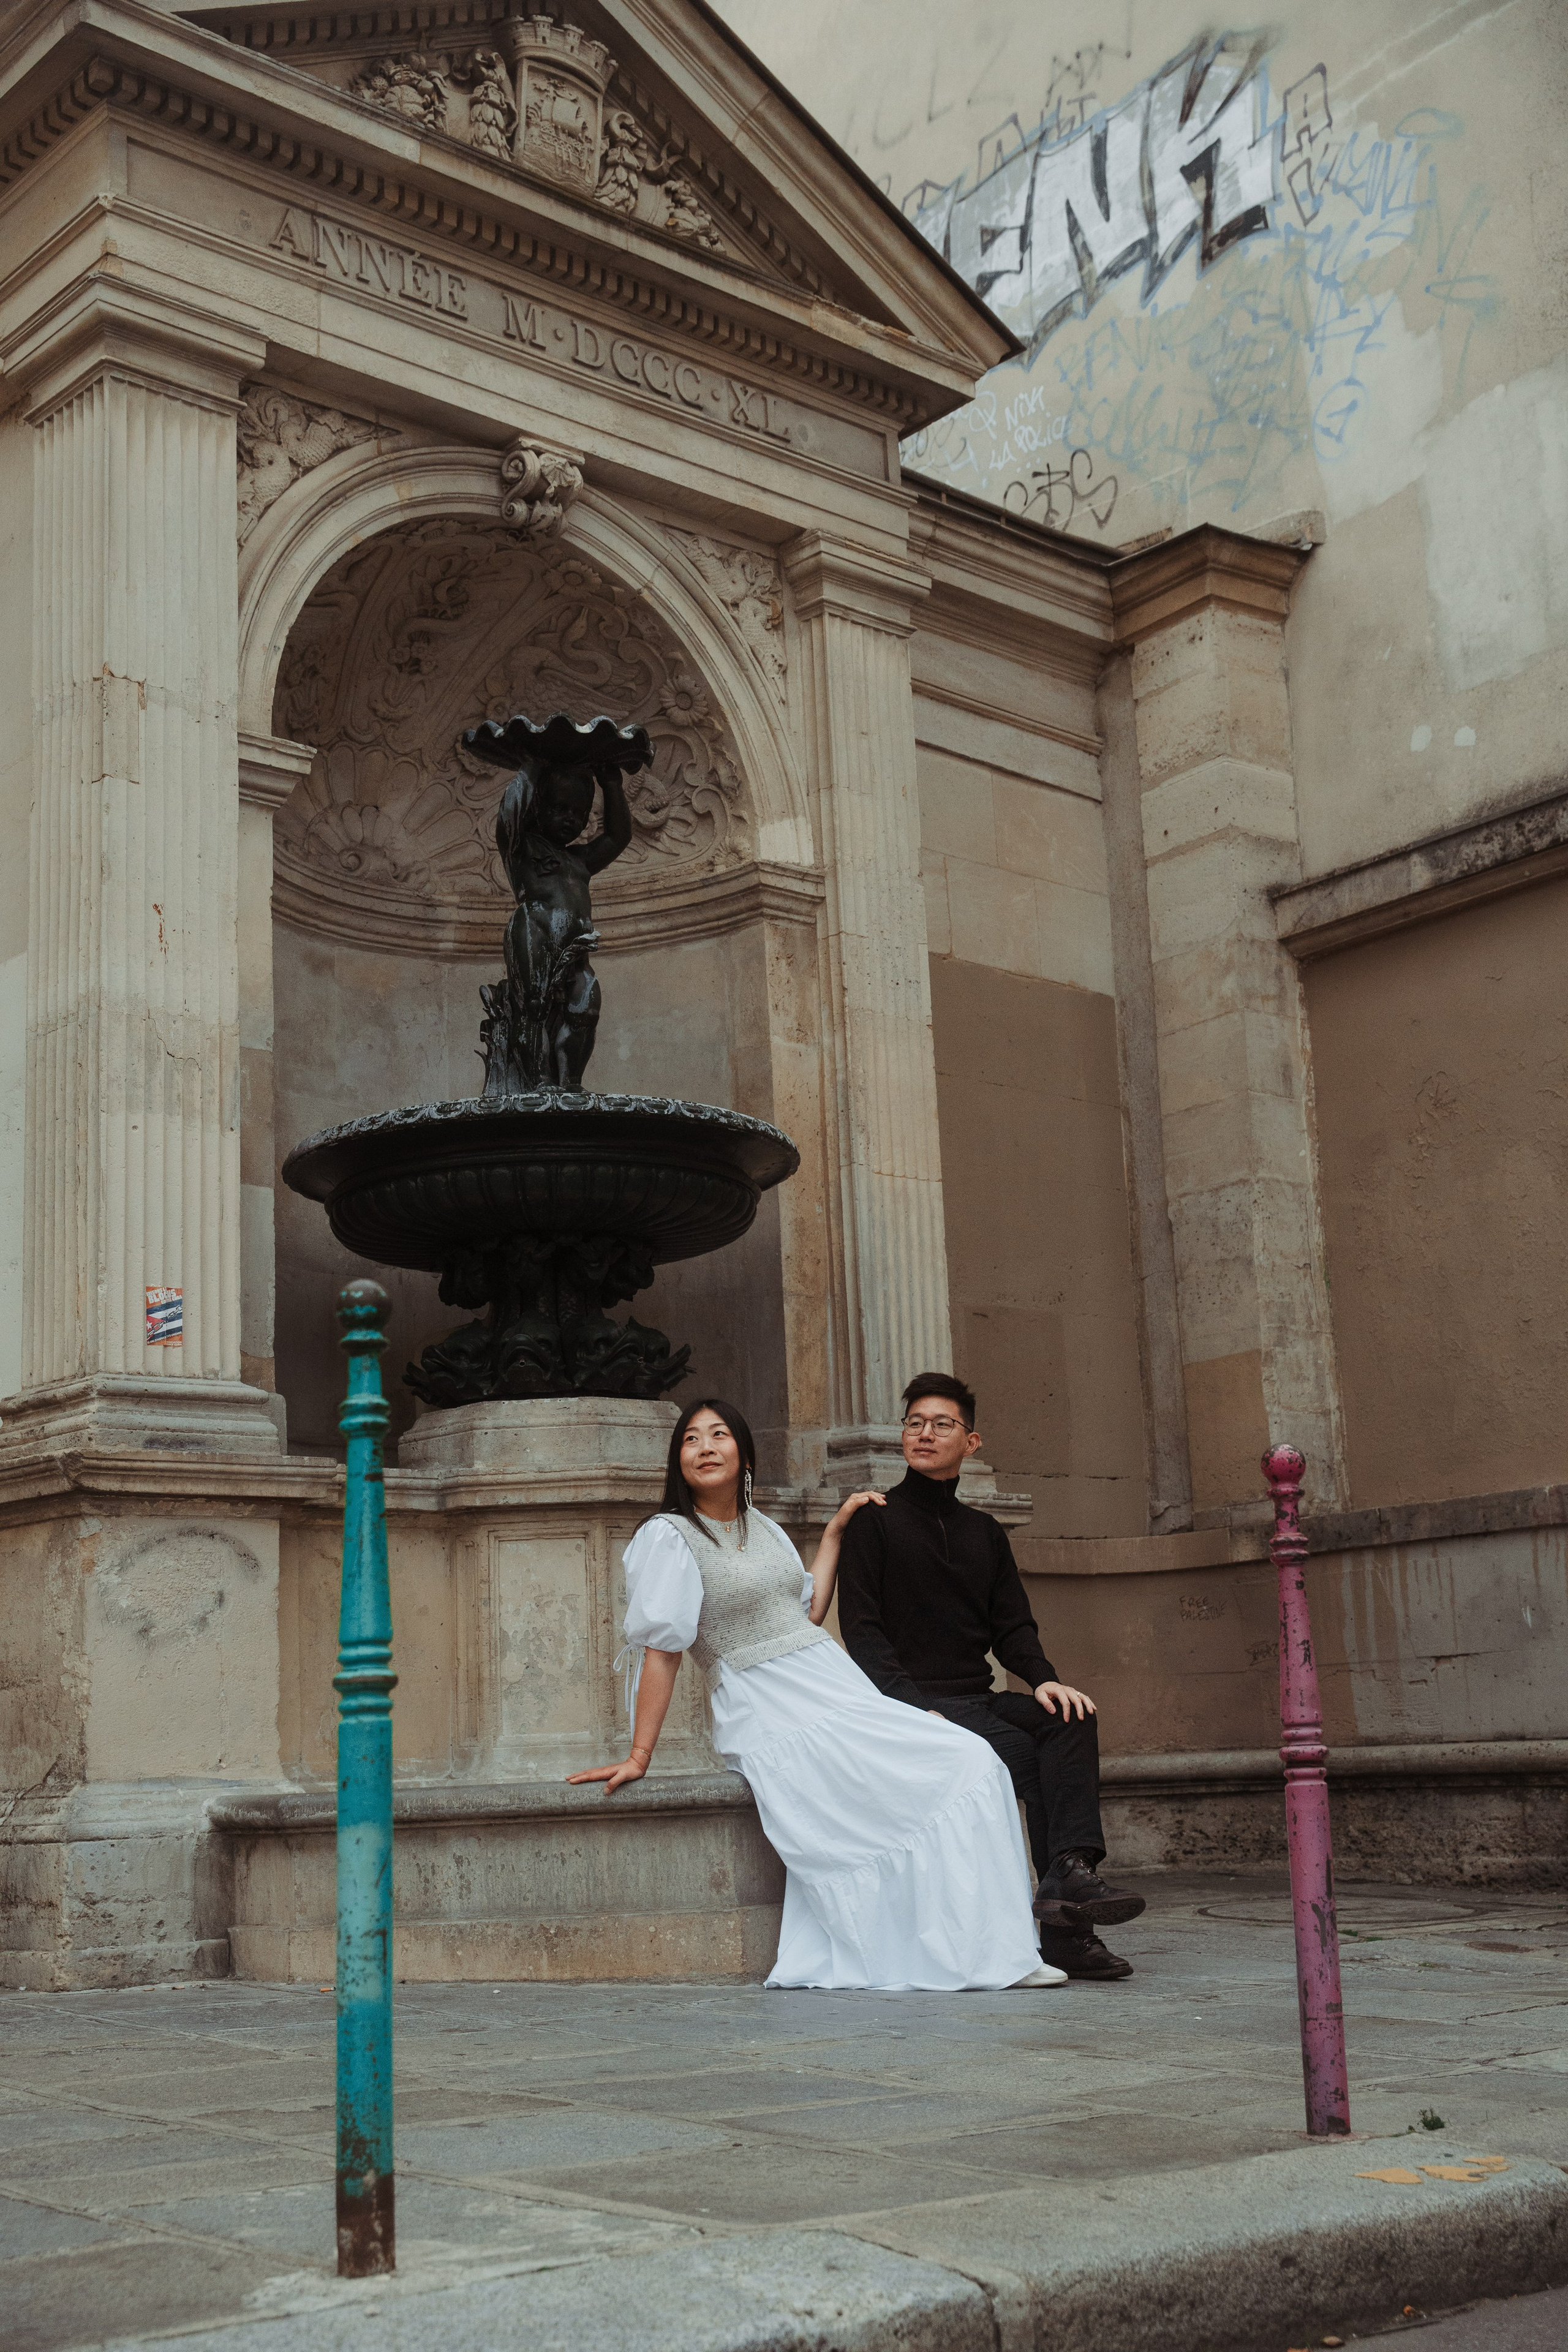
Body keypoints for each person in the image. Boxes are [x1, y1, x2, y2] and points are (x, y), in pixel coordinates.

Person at [567, 1397, 1067, 1992]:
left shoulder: (765, 1527)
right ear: (678, 1461)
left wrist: (833, 1534)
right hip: (767, 1702)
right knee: (958, 1767)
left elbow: (806, 1611)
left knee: (975, 1765)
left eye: (719, 1434)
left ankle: (1001, 1948)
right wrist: (640, 1753)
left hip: (829, 1681)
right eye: (691, 1439)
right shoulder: (669, 1537)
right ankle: (971, 1955)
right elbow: (663, 1650)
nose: (705, 1447)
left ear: (744, 1454)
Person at [834, 1371, 1147, 1982]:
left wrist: (1045, 1679)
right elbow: (862, 1632)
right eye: (914, 1423)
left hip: (980, 1696)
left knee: (1070, 1717)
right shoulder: (876, 1522)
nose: (924, 1434)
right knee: (1025, 1759)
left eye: (941, 1424)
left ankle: (1068, 1876)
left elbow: (1014, 1629)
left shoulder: (984, 1534)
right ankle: (1066, 1925)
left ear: (970, 1443)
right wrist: (908, 1704)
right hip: (919, 1704)